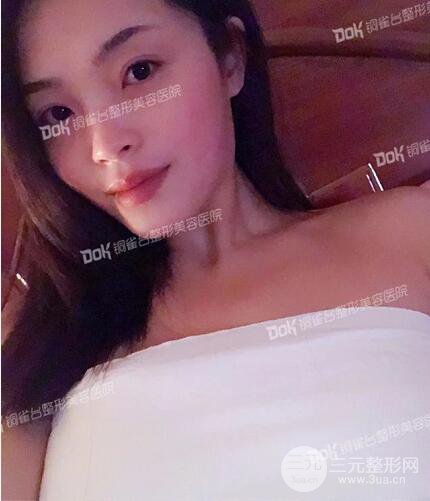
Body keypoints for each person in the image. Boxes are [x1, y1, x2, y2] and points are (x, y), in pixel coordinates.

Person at [2, 0, 429, 499]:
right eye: (58, 114)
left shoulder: (409, 233)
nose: (105, 144)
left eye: (139, 72)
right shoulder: (37, 343)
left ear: (230, 57)